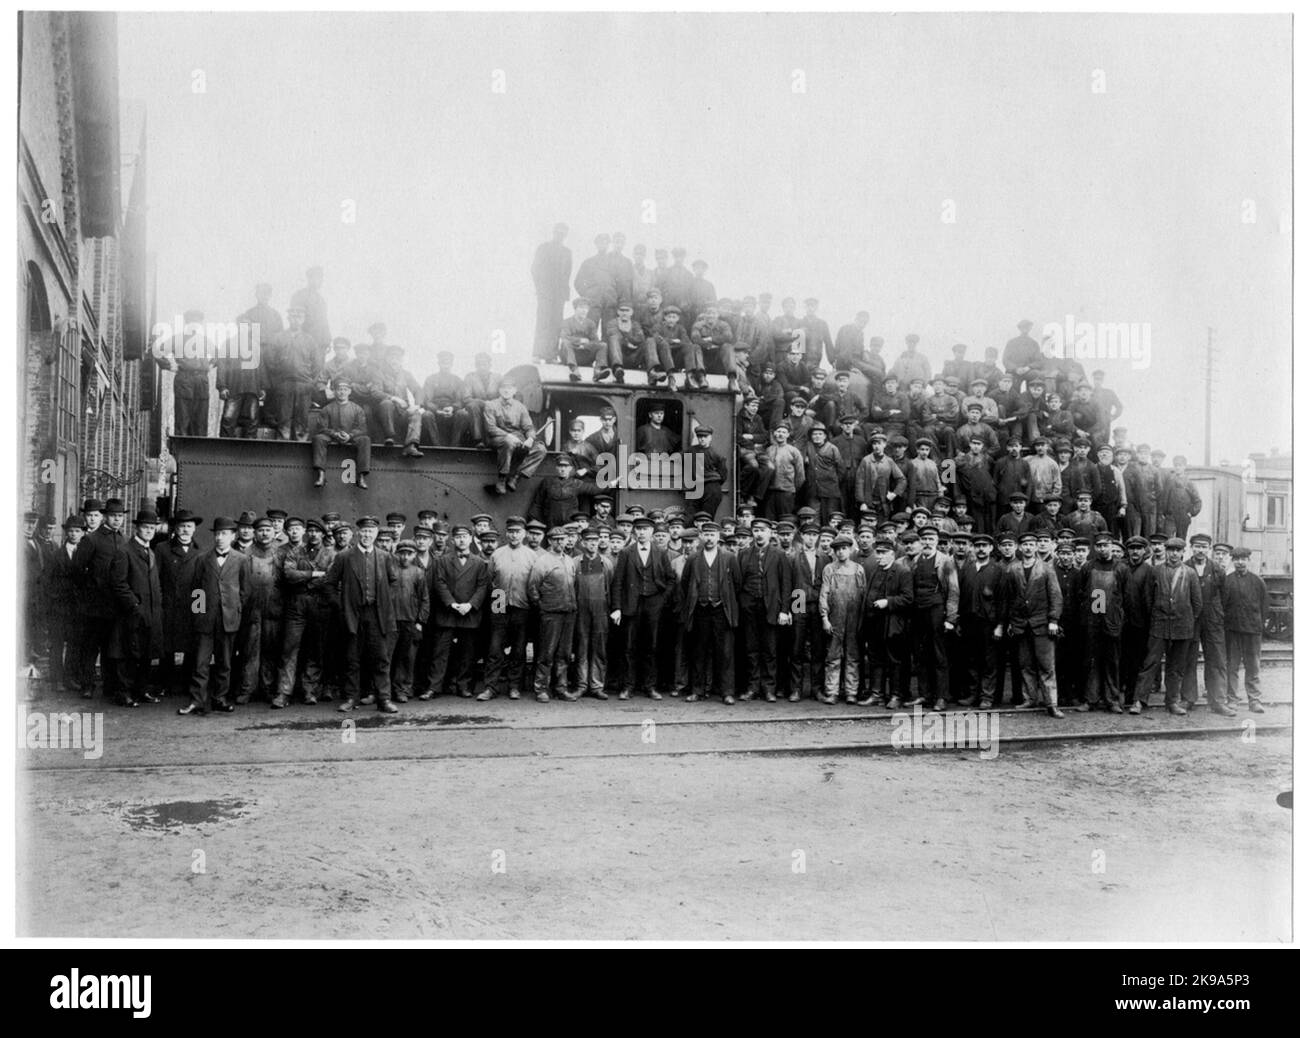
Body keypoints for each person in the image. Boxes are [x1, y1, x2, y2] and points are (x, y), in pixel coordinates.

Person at [324, 516, 399, 713]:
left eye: (371, 532)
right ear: (358, 533)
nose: (367, 535)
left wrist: (384, 602)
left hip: (377, 614)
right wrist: (341, 606)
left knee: (381, 658)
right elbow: (329, 584)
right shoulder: (344, 557)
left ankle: (384, 699)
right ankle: (351, 698)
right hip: (353, 614)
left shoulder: (384, 556)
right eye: (364, 531)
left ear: (376, 534)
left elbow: (393, 582)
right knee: (352, 658)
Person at [181, 516, 251, 715]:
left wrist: (235, 609)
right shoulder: (203, 559)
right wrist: (198, 615)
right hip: (205, 620)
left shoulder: (241, 559)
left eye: (225, 534)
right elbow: (197, 590)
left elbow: (245, 591)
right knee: (200, 662)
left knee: (225, 662)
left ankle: (220, 698)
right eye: (217, 534)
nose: (220, 537)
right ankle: (197, 700)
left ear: (233, 536)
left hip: (228, 620)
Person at [1134, 536, 1202, 715]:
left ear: (1183, 552)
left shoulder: (1190, 573)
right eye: (1171, 550)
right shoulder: (1155, 571)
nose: (1174, 554)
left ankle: (1172, 702)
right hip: (1159, 625)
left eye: (1178, 551)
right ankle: (1139, 701)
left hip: (1182, 627)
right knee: (1150, 664)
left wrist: (1185, 619)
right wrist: (1157, 615)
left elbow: (1197, 603)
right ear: (1166, 551)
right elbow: (1148, 599)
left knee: (1176, 667)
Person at [610, 516, 676, 700]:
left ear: (652, 532)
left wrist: (662, 599)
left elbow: (671, 579)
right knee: (629, 647)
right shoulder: (626, 553)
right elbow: (618, 583)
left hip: (654, 605)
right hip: (632, 604)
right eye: (638, 529)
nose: (641, 532)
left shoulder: (660, 552)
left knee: (652, 646)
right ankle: (628, 686)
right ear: (634, 532)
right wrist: (616, 607)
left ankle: (650, 686)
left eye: (645, 529)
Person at [276, 517, 337, 705]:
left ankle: (310, 691)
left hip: (319, 605)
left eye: (317, 531)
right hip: (296, 604)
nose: (313, 534)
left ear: (322, 534)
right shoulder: (295, 551)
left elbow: (330, 578)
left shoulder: (330, 554)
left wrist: (309, 583)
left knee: (315, 649)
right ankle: (284, 692)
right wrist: (313, 574)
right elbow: (289, 575)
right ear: (306, 533)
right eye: (310, 531)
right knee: (289, 648)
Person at [106, 509, 164, 706]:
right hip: (131, 613)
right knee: (128, 653)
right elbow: (118, 584)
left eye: (152, 528)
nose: (149, 531)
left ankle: (141, 690)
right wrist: (135, 605)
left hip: (151, 612)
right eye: (145, 527)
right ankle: (124, 693)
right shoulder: (125, 551)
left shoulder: (151, 552)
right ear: (137, 528)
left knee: (146, 653)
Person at [1005, 531, 1064, 718]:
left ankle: (1051, 703)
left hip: (1042, 624)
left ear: (1036, 546)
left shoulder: (1046, 568)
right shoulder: (1013, 569)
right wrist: (1011, 622)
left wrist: (1053, 620)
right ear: (1020, 548)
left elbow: (1056, 596)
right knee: (1026, 665)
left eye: (1032, 544)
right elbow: (1010, 599)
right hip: (1021, 624)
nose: (1028, 547)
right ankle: (1030, 698)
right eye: (1025, 544)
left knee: (1047, 666)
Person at [479, 516, 536, 701]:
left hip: (522, 605)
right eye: (511, 531)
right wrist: (497, 605)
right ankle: (490, 687)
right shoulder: (497, 554)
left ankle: (514, 686)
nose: (514, 535)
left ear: (524, 534)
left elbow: (534, 583)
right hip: (499, 603)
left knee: (518, 650)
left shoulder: (531, 556)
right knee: (495, 648)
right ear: (506, 533)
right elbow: (490, 581)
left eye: (517, 532)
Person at [736, 517, 791, 702]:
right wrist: (741, 604)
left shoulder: (779, 555)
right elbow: (738, 583)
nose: (759, 533)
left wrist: (785, 610)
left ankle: (769, 689)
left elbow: (786, 584)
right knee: (751, 649)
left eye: (762, 530)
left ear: (770, 533)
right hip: (749, 608)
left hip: (771, 608)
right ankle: (752, 687)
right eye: (756, 530)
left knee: (770, 650)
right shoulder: (743, 554)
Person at [862, 539, 914, 708]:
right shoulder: (875, 571)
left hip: (893, 624)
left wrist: (888, 602)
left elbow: (908, 599)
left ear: (892, 554)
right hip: (875, 623)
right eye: (878, 552)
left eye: (884, 553)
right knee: (876, 659)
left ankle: (896, 695)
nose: (880, 556)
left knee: (894, 660)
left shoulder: (902, 572)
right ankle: (877, 694)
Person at [529, 526, 578, 701]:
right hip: (550, 613)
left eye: (562, 539)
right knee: (546, 653)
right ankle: (541, 688)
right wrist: (542, 607)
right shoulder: (543, 561)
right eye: (556, 539)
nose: (560, 542)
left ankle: (561, 688)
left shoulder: (570, 560)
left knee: (564, 653)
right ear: (549, 541)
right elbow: (533, 588)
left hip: (568, 613)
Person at [1183, 532, 1230, 716]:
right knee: (1189, 658)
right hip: (1191, 618)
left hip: (1212, 619)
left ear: (1208, 549)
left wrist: (1216, 614)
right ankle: (1188, 698)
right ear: (1191, 548)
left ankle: (1217, 701)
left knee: (1217, 659)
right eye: (1197, 546)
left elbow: (1224, 596)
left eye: (1204, 547)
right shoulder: (1185, 567)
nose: (1200, 550)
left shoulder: (1217, 569)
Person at [819, 534, 865, 705]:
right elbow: (824, 594)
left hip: (853, 617)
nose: (840, 552)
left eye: (844, 548)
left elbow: (863, 594)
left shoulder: (858, 569)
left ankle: (851, 691)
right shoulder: (829, 569)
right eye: (837, 549)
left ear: (850, 549)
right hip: (835, 616)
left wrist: (861, 620)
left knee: (853, 654)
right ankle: (832, 691)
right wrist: (825, 617)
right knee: (833, 654)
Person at [1222, 547, 1268, 714]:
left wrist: (1258, 626)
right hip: (1232, 631)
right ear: (1232, 561)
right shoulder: (1227, 581)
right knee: (1231, 666)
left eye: (1243, 559)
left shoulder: (1258, 581)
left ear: (1249, 560)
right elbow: (1223, 606)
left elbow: (1264, 607)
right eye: (1236, 559)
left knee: (1253, 666)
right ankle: (1232, 699)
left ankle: (1254, 700)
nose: (1240, 562)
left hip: (1252, 631)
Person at [484, 376, 546, 494]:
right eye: (503, 388)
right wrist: (508, 436)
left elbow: (529, 427)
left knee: (541, 449)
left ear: (514, 390)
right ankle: (502, 479)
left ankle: (516, 477)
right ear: (499, 390)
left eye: (509, 388)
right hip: (497, 438)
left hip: (518, 438)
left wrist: (530, 438)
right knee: (509, 442)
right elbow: (490, 428)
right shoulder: (491, 405)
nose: (506, 391)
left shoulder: (520, 407)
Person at [160, 308, 217, 437]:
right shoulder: (177, 339)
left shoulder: (205, 340)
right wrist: (169, 365)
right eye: (192, 322)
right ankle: (183, 448)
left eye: (197, 322)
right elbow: (158, 352)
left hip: (202, 379)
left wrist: (210, 364)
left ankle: (199, 451)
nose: (195, 325)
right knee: (183, 415)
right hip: (184, 378)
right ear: (187, 323)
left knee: (201, 417)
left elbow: (219, 355)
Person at [572, 526, 613, 700]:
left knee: (599, 649)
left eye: (595, 541)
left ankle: (597, 686)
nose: (592, 544)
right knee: (581, 648)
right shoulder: (575, 562)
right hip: (580, 611)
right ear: (582, 543)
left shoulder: (606, 563)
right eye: (589, 541)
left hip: (600, 611)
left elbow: (609, 589)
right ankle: (581, 685)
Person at [271, 304, 320, 442]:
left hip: (304, 385)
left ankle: (299, 451)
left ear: (303, 319)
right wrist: (278, 382)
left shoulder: (310, 340)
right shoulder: (278, 338)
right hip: (284, 384)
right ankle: (281, 452)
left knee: (302, 420)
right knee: (283, 419)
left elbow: (317, 365)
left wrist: (311, 383)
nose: (296, 320)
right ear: (288, 318)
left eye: (299, 317)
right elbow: (271, 361)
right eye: (293, 316)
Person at [312, 378, 371, 489]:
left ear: (349, 392)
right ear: (334, 392)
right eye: (339, 389)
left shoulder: (357, 409)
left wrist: (350, 435)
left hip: (351, 436)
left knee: (365, 439)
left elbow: (362, 428)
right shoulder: (327, 409)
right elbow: (321, 428)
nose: (342, 392)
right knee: (318, 438)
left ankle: (361, 477)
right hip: (332, 436)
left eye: (345, 389)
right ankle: (321, 475)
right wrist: (335, 434)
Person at [389, 541, 429, 703]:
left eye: (409, 554)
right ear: (397, 554)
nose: (405, 557)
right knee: (389, 656)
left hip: (410, 621)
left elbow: (425, 599)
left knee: (407, 657)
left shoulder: (419, 573)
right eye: (402, 553)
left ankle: (404, 689)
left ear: (414, 555)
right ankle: (387, 690)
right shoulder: (390, 571)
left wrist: (420, 621)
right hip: (391, 621)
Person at [532, 223, 572, 359]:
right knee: (543, 322)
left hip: (559, 295)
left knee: (556, 324)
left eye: (563, 233)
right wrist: (540, 289)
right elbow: (535, 269)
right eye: (558, 232)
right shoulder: (543, 248)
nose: (560, 235)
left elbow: (567, 273)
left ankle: (552, 354)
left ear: (565, 235)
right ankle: (538, 353)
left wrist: (565, 294)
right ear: (553, 232)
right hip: (546, 293)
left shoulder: (567, 252)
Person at [290, 266, 331, 353]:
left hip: (320, 343)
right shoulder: (299, 296)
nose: (320, 281)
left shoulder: (321, 300)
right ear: (310, 279)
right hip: (304, 342)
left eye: (321, 279)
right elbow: (295, 319)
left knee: (318, 366)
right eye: (317, 278)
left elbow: (324, 321)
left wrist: (327, 340)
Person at [1160, 455, 1202, 539]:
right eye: (1176, 465)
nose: (1178, 467)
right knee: (1168, 540)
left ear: (1184, 467)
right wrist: (1163, 513)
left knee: (1181, 541)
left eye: (1180, 465)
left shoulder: (1189, 483)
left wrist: (1191, 513)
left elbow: (1197, 501)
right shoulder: (1169, 481)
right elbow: (1164, 498)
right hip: (1170, 517)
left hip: (1183, 516)